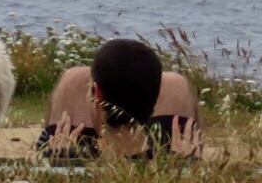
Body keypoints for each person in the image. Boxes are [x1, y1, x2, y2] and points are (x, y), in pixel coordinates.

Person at [39, 38, 204, 160]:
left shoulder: (66, 160)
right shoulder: (178, 164)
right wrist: (186, 164)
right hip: (163, 160)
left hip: (80, 158)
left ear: (97, 95)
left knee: (73, 76)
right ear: (155, 97)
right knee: (175, 82)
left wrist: (60, 161)